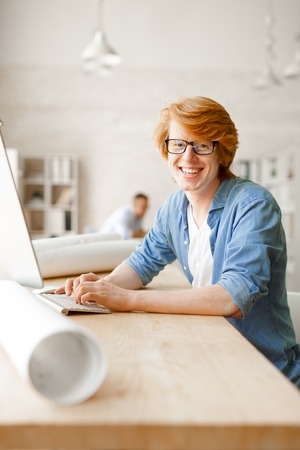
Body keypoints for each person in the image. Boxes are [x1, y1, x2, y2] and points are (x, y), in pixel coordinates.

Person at [57, 96, 300, 387]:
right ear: (166, 148)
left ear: (221, 152)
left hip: (267, 373)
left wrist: (130, 300)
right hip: (216, 354)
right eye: (179, 144)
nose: (188, 157)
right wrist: (101, 286)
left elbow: (233, 297)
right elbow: (142, 262)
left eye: (201, 145)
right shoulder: (174, 207)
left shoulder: (253, 204)